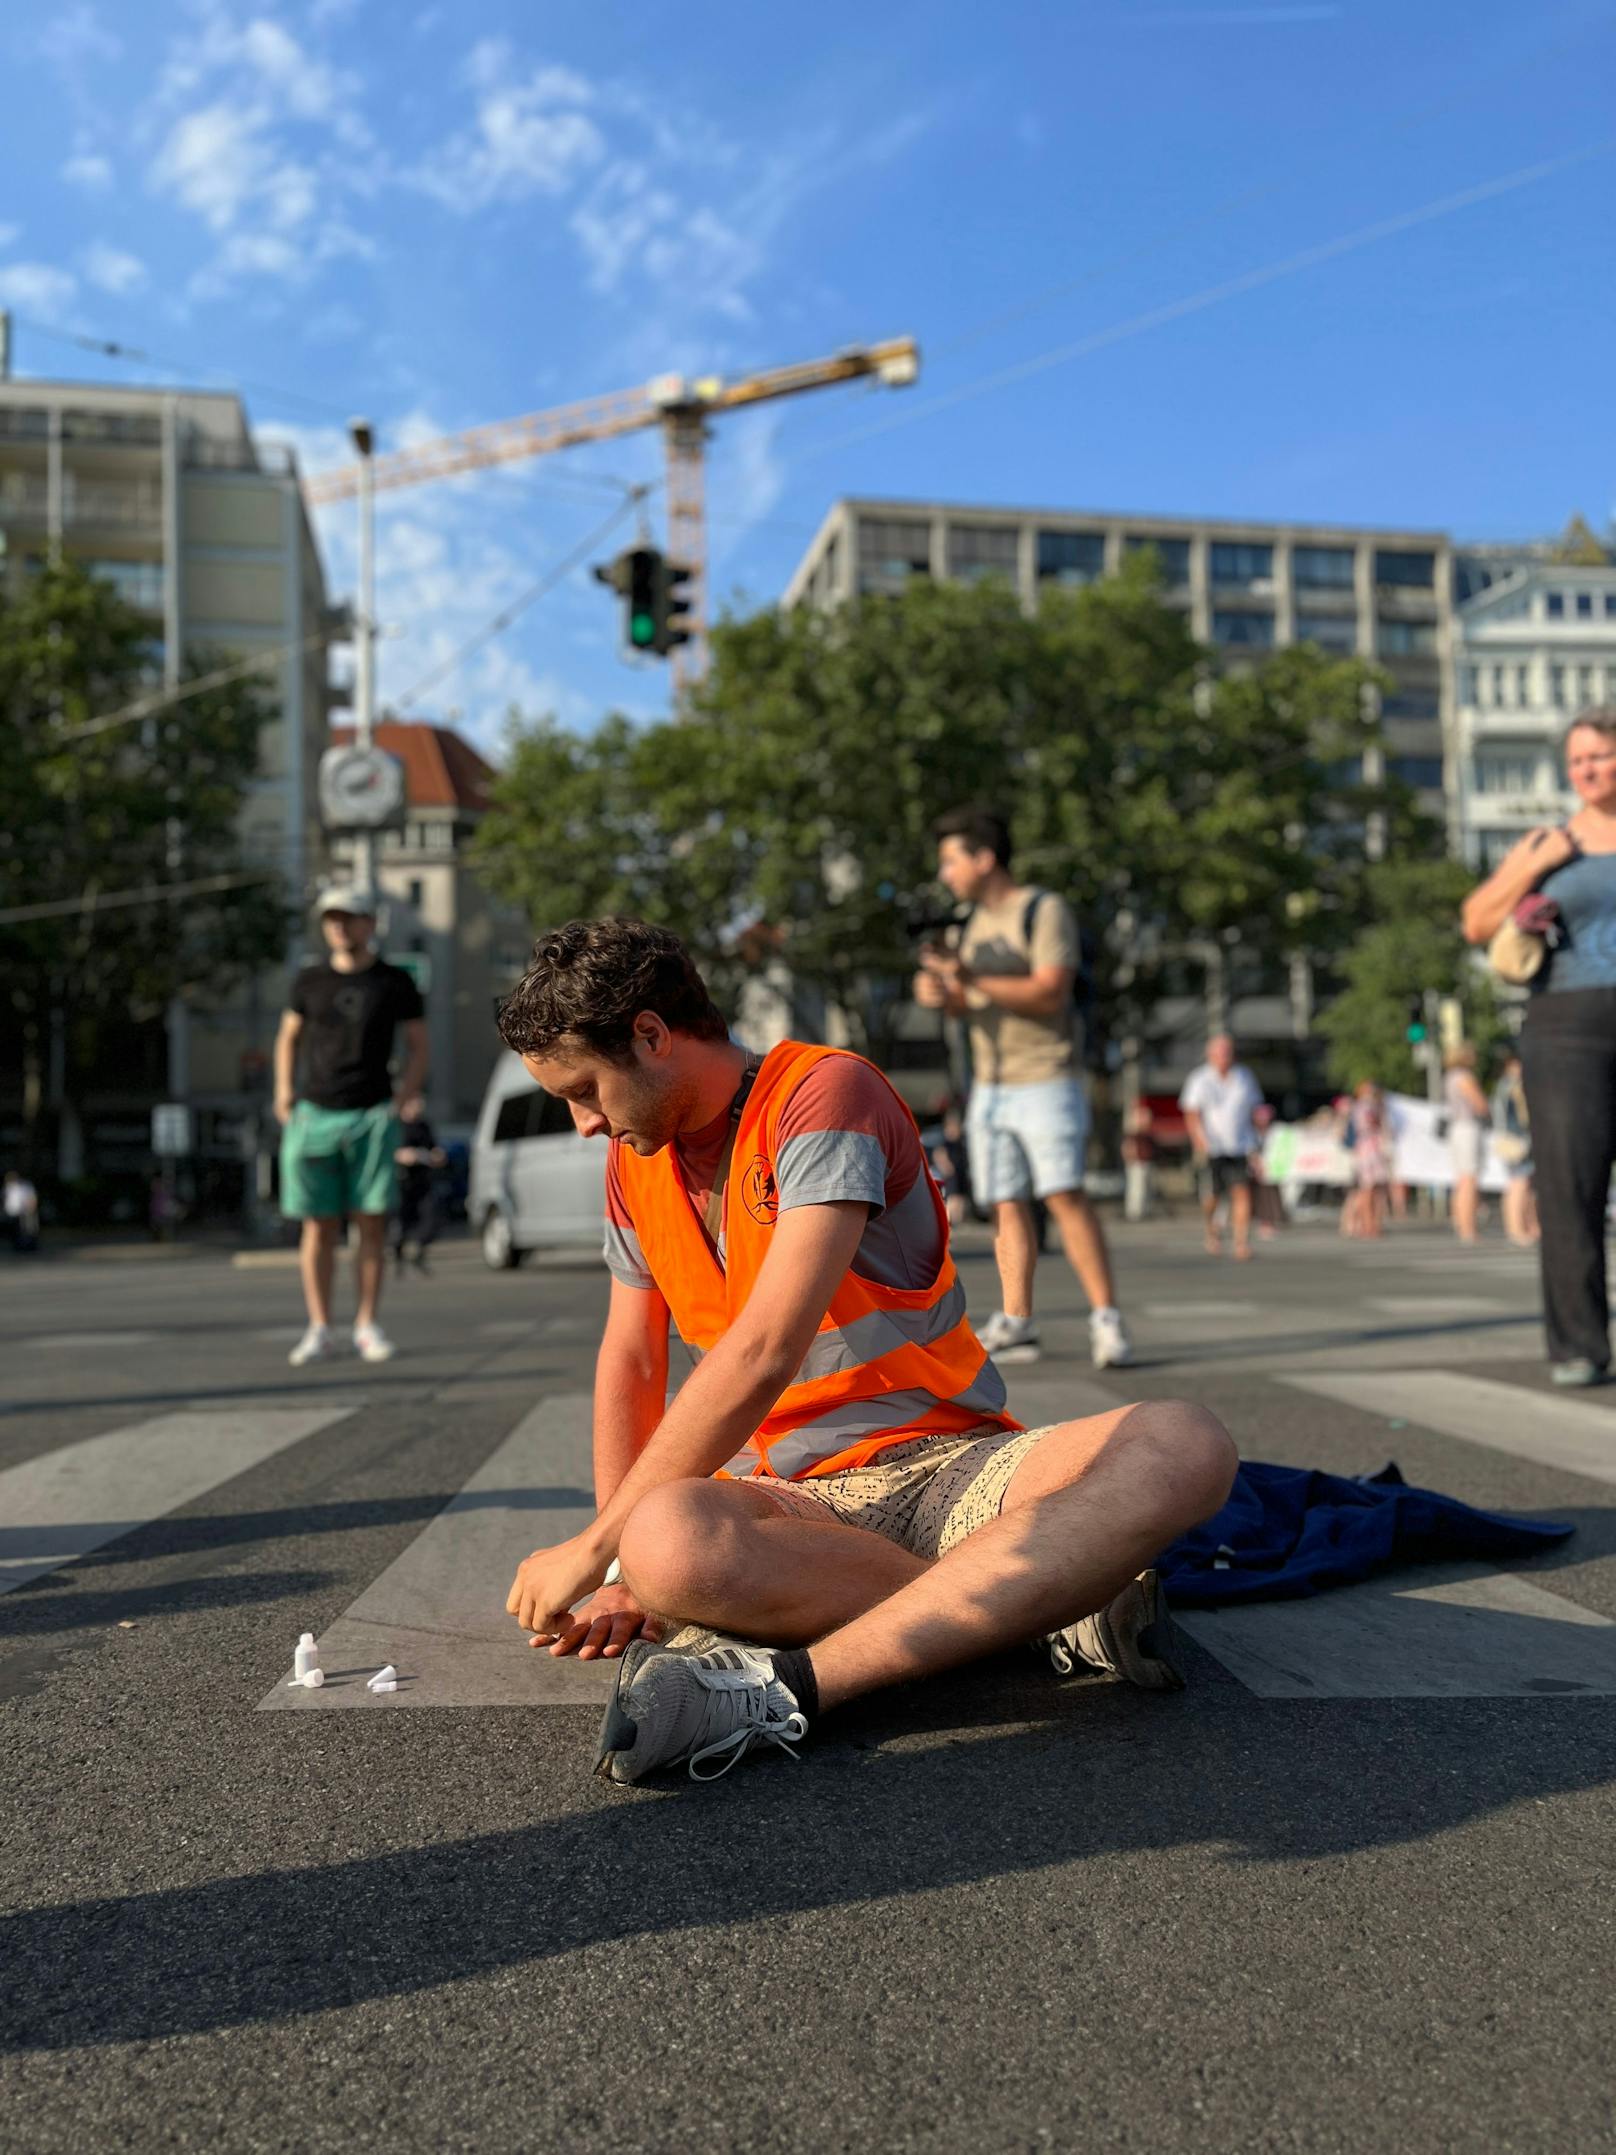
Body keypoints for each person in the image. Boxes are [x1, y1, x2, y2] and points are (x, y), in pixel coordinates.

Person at [496, 918, 1235, 1786]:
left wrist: (583, 1550)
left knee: (1187, 1442)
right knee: (664, 1544)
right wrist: (620, 1568)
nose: (582, 1123)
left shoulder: (823, 1092)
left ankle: (800, 1682)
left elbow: (768, 1347)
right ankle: (1041, 1604)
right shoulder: (634, 1163)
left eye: (584, 1088)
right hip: (795, 1503)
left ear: (653, 1035)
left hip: (953, 1465)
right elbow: (631, 1360)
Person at [912, 807, 1132, 1370]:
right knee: (1004, 1202)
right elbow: (968, 1004)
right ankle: (1018, 1322)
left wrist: (968, 979)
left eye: (951, 860)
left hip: (1047, 1076)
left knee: (1063, 1195)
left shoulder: (1041, 910)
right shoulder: (968, 924)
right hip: (991, 1084)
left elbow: (1049, 992)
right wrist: (941, 993)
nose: (946, 874)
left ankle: (1107, 1320)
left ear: (985, 858)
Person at [1462, 710, 1616, 1383]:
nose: (1591, 769)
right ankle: (1581, 1346)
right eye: (1580, 759)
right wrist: (1534, 869)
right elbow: (1475, 921)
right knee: (1569, 1187)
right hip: (1566, 1026)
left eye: (1604, 756)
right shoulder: (1547, 842)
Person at [274, 886, 428, 1366]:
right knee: (317, 1226)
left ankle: (366, 1325)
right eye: (331, 919)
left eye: (349, 917)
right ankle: (319, 1327)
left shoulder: (394, 982)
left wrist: (402, 1099)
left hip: (371, 1113)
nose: (339, 926)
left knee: (370, 1224)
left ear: (370, 923)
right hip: (314, 1113)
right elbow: (288, 1039)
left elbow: (419, 1045)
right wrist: (284, 1093)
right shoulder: (308, 981)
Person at [1179, 1035, 1264, 1261]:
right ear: (1210, 1054)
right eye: (1220, 1052)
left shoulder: (1244, 1077)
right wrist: (1199, 1141)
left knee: (1242, 1193)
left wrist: (1259, 1140)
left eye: (1228, 1051)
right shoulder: (1199, 1079)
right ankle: (1212, 1229)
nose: (1225, 1056)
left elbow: (1256, 1109)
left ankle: (1241, 1242)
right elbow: (1192, 1114)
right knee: (1213, 1196)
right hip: (1212, 1147)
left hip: (1241, 1145)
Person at [1443, 1044, 1490, 1246]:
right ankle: (1468, 1227)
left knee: (1461, 1179)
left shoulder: (1450, 1077)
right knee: (1469, 1179)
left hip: (1456, 1128)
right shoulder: (1464, 1077)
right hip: (1468, 1127)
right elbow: (1480, 1104)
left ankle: (1461, 1224)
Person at [1490, 1050, 1538, 1249]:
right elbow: (1522, 1114)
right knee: (1519, 1184)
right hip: (1516, 1139)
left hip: (1512, 1137)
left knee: (1522, 1184)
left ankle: (1525, 1226)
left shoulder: (1504, 1085)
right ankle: (1517, 1228)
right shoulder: (1512, 1086)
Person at [393, 1114, 447, 1271]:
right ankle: (399, 1256)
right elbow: (387, 1150)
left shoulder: (424, 1125)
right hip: (402, 1181)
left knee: (430, 1217)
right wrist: (402, 1156)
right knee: (402, 1221)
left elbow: (434, 1148)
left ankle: (418, 1251)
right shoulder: (396, 1125)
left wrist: (437, 1156)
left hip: (423, 1180)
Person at [1346, 1080, 1392, 1241]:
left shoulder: (1378, 1106)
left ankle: (1375, 1223)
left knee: (1378, 1189)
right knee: (1367, 1189)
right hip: (1367, 1149)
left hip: (1376, 1148)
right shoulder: (1363, 1106)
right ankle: (1367, 1224)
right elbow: (1370, 1123)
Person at [4, 1169, 40, 1254]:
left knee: (27, 1230)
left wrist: (31, 1207)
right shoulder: (8, 1187)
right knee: (15, 1231)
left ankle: (29, 1247)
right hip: (12, 1213)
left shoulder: (25, 1186)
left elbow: (31, 1198)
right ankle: (17, 1247)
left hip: (23, 1212)